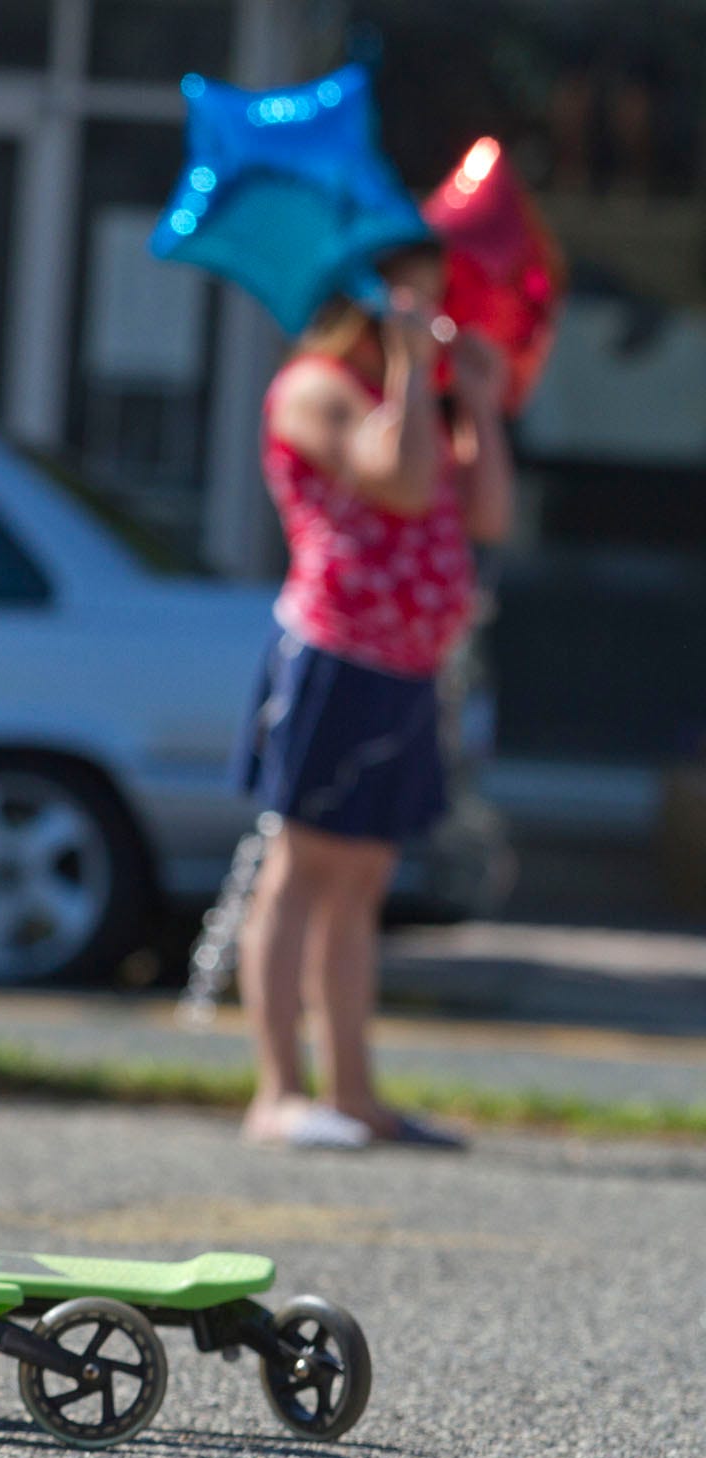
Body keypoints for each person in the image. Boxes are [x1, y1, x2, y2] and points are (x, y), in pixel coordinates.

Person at [236, 242, 514, 1149]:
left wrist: (471, 398)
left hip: (405, 670)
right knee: (302, 870)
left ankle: (354, 1092)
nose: (430, 316)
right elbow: (397, 481)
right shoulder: (313, 387)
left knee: (362, 882)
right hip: (336, 658)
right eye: (411, 299)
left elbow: (489, 513)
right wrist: (409, 369)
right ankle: (279, 1094)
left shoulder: (415, 398)